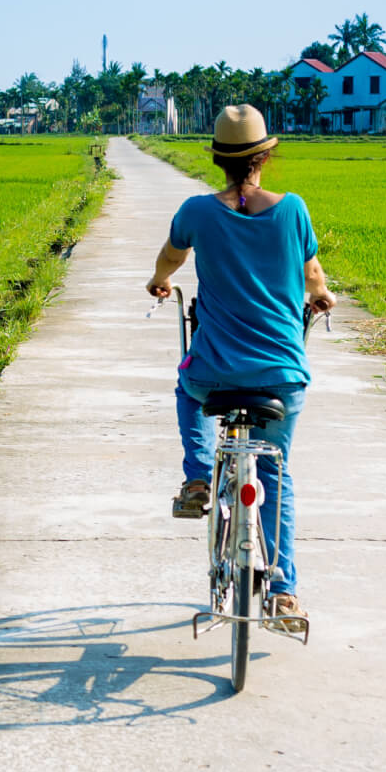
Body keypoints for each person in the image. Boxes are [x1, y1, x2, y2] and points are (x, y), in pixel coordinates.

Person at [144, 104, 334, 620]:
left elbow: (170, 257)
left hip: (214, 375)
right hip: (281, 376)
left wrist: (160, 282)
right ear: (266, 157)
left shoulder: (198, 211)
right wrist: (321, 296)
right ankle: (283, 590)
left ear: (217, 160)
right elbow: (312, 273)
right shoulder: (293, 210)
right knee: (277, 475)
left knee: (186, 387)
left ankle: (198, 477)